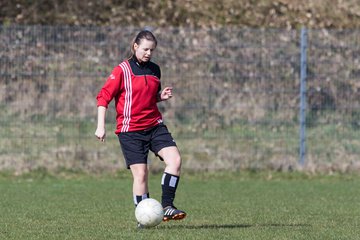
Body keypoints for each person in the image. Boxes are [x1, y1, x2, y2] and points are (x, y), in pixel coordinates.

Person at [95, 30, 186, 226]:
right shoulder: (122, 70)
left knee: (175, 160)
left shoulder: (155, 69)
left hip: (154, 125)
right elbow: (103, 98)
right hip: (130, 131)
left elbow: (147, 98)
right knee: (141, 174)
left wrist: (159, 98)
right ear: (135, 46)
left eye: (152, 50)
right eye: (145, 49)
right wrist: (100, 126)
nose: (148, 53)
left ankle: (168, 206)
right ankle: (143, 218)